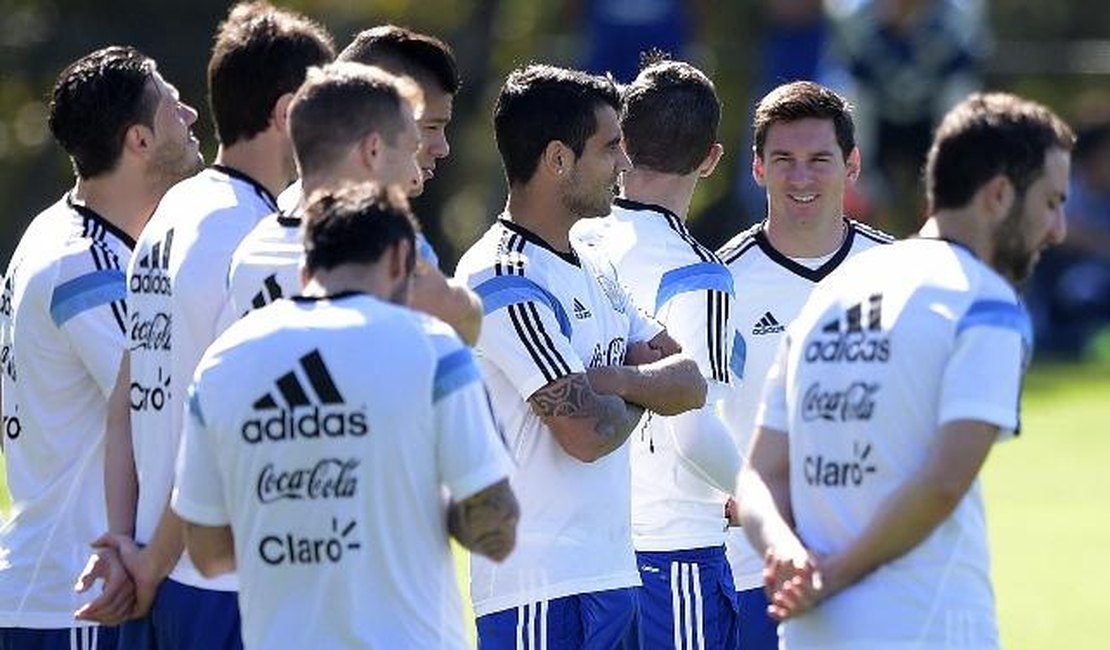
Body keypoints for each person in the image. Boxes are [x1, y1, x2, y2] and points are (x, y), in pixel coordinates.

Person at [737, 92, 1073, 649]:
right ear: (998, 195)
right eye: (1051, 202)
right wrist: (830, 576)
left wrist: (785, 552)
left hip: (810, 635)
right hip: (927, 628)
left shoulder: (831, 294)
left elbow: (757, 478)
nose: (1058, 229)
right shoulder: (983, 303)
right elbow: (943, 484)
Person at [80, 3, 335, 648]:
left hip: (160, 570)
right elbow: (223, 430)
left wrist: (129, 548)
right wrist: (148, 562)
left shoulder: (171, 211)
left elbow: (125, 404)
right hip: (228, 582)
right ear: (287, 113)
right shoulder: (260, 234)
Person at [171, 183, 519, 649]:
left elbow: (208, 553)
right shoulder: (433, 349)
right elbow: (496, 531)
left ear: (306, 267)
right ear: (402, 260)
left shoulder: (221, 364)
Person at [454, 63, 707, 649]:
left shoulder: (596, 265)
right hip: (537, 590)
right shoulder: (500, 275)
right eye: (611, 146)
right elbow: (587, 433)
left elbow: (690, 379)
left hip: (613, 574)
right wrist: (641, 383)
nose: (625, 163)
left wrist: (613, 378)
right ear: (557, 160)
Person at [0, 45, 201, 649]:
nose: (191, 114)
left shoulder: (59, 231)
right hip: (78, 599)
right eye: (172, 106)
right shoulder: (86, 267)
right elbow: (163, 406)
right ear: (138, 140)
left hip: (60, 592)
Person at [714, 80, 891, 650]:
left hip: (875, 566)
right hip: (753, 570)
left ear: (852, 164)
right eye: (784, 160)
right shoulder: (720, 282)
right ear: (759, 169)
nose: (802, 178)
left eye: (820, 160)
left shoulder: (901, 273)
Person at [572, 58, 741, 648]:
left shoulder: (570, 240)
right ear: (711, 159)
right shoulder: (699, 272)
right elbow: (692, 434)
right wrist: (758, 495)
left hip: (585, 551)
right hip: (673, 551)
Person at [234, 25, 481, 343]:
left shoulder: (252, 243)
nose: (441, 147)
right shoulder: (387, 250)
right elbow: (460, 332)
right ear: (374, 139)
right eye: (425, 128)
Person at [228, 62, 423, 317]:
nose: (416, 177)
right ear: (373, 150)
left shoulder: (248, 252)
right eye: (410, 151)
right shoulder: (387, 257)